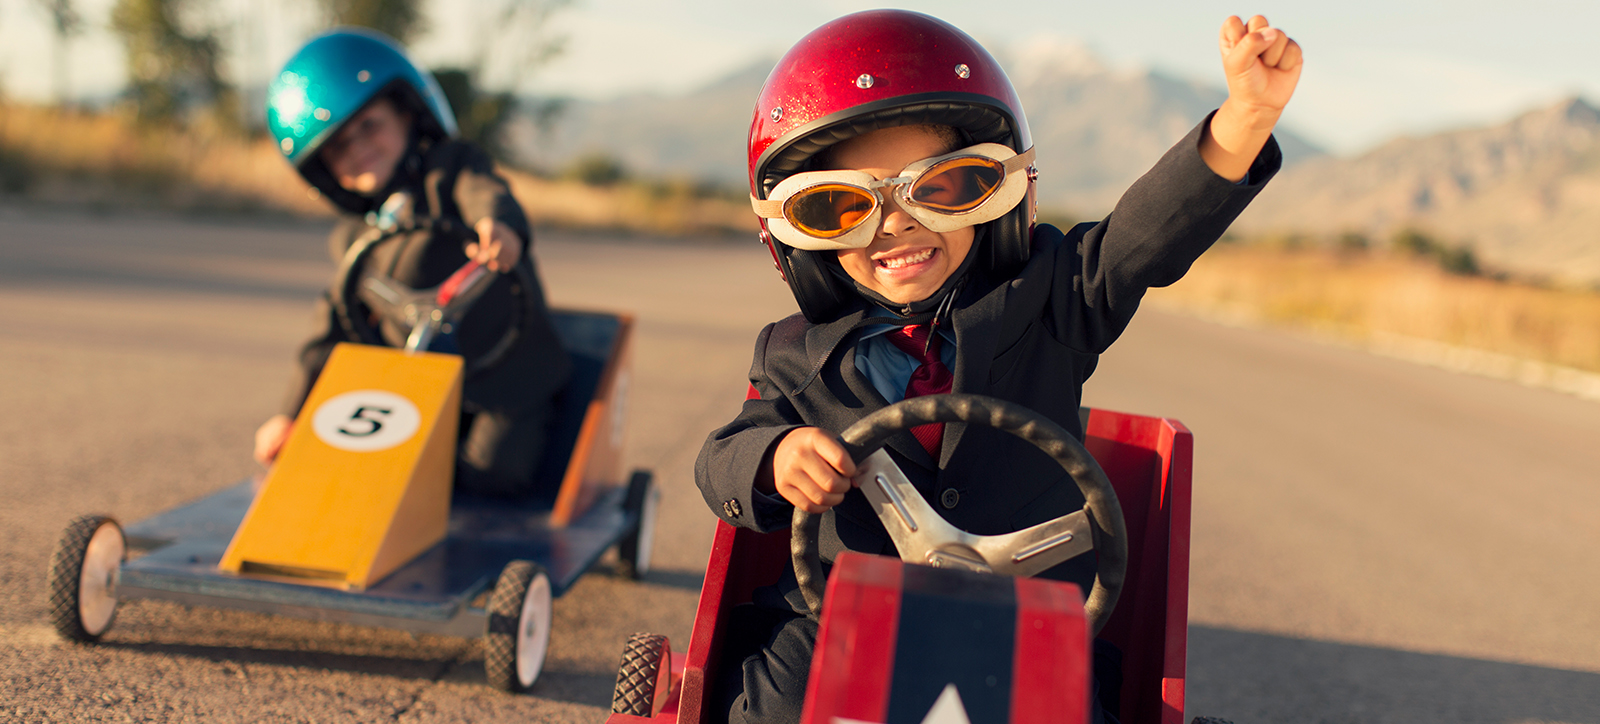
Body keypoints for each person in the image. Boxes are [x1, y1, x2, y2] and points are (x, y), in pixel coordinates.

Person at [694, 10, 1301, 724]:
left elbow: (1142, 240)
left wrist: (1244, 119)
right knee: (770, 702)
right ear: (798, 235)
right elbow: (722, 458)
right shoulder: (793, 353)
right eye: (842, 207)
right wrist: (776, 457)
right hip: (837, 622)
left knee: (1068, 708)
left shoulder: (1048, 300)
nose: (896, 225)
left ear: (1000, 192)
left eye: (941, 188)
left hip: (1026, 626)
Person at [253, 28, 571, 497]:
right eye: (338, 146)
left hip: (501, 376)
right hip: (407, 388)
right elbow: (330, 326)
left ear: (407, 112)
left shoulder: (452, 170)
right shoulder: (354, 242)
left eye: (370, 126)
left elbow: (485, 190)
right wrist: (290, 412)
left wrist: (496, 225)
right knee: (352, 464)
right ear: (324, 170)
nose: (359, 147)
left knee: (493, 471)